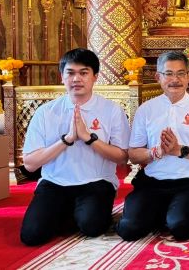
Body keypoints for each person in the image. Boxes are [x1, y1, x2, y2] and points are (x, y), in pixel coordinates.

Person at [20, 48, 130, 246]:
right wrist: (67, 140)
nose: (76, 79)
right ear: (62, 77)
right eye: (70, 73)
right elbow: (29, 164)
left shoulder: (112, 110)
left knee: (92, 227)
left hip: (96, 182)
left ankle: (79, 212)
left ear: (95, 77)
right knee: (31, 236)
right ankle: (70, 211)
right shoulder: (45, 112)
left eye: (84, 73)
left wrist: (89, 138)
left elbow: (122, 157)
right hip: (55, 183)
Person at [116, 51, 189, 241]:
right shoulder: (146, 110)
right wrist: (154, 152)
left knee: (181, 228)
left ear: (188, 77)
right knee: (129, 230)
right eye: (169, 74)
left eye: (181, 73)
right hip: (152, 183)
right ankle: (164, 209)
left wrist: (178, 150)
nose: (175, 79)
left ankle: (180, 208)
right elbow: (133, 154)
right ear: (158, 77)